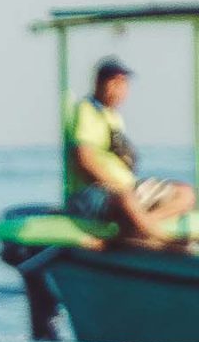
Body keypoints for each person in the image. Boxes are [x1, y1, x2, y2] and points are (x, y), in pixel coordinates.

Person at [67, 57, 196, 243]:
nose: (120, 91)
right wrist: (115, 186)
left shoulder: (113, 116)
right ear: (99, 83)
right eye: (115, 84)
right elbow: (84, 159)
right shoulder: (87, 111)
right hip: (95, 193)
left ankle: (141, 228)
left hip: (127, 188)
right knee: (126, 199)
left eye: (123, 85)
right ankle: (164, 239)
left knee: (185, 193)